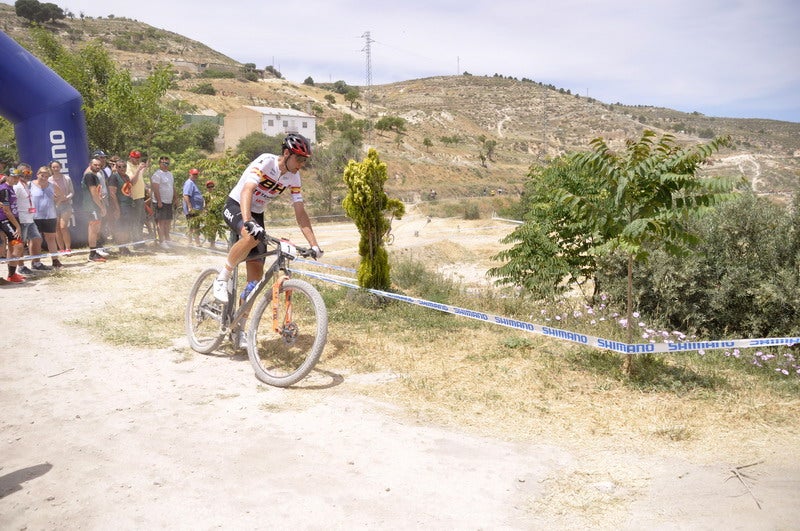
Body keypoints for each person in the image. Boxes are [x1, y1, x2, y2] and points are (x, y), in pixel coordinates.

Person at [213, 133, 323, 303]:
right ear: (286, 153)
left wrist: (314, 244)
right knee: (251, 237)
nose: (302, 164)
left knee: (255, 280)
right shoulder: (266, 161)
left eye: (305, 160)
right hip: (237, 205)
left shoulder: (294, 177)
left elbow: (300, 212)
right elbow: (247, 190)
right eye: (299, 159)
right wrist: (248, 221)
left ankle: (241, 319)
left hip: (257, 214)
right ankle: (222, 279)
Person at [11, 163, 44, 275]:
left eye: (30, 172)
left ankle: (36, 263)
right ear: (20, 172)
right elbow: (12, 202)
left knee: (37, 239)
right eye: (26, 172)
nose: (29, 174)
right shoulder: (17, 186)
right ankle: (21, 266)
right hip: (22, 219)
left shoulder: (26, 184)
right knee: (21, 244)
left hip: (30, 218)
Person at [30, 166, 59, 269]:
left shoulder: (52, 185)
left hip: (50, 216)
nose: (44, 178)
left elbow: (60, 196)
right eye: (42, 175)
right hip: (35, 217)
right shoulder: (30, 185)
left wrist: (56, 202)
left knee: (51, 238)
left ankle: (55, 260)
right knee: (35, 240)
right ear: (37, 174)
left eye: (47, 176)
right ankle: (35, 262)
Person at [0, 167, 26, 282]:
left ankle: (12, 274)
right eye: (13, 177)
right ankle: (11, 274)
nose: (16, 179)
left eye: (17, 177)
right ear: (7, 176)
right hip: (5, 220)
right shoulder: (4, 189)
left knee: (13, 245)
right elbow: (6, 210)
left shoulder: (10, 188)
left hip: (12, 219)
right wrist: (17, 226)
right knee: (18, 245)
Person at [81, 158, 108, 262]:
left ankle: (95, 251)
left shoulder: (95, 176)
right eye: (95, 165)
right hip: (91, 207)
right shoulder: (89, 176)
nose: (97, 167)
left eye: (99, 165)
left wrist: (102, 205)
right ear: (90, 164)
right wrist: (101, 207)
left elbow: (98, 193)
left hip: (95, 206)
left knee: (96, 230)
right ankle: (92, 255)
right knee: (93, 229)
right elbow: (94, 194)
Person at [108, 158, 133, 255]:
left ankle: (125, 246)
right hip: (120, 206)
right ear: (116, 168)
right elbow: (112, 194)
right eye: (119, 167)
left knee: (126, 226)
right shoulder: (114, 177)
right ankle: (121, 247)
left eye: (124, 166)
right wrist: (117, 209)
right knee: (120, 227)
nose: (122, 168)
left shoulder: (126, 177)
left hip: (128, 205)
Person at [150, 155, 176, 249]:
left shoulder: (170, 174)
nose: (165, 165)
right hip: (161, 202)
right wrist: (159, 201)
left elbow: (172, 187)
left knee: (168, 221)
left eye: (167, 163)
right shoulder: (157, 175)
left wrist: (176, 198)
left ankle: (167, 239)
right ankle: (161, 241)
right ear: (159, 163)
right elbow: (155, 188)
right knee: (161, 222)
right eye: (164, 163)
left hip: (169, 201)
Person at [49, 159, 73, 257]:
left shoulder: (66, 178)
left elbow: (72, 192)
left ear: (60, 167)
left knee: (63, 227)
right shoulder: (49, 180)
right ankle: (61, 249)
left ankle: (68, 248)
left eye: (57, 167)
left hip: (66, 205)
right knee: (57, 228)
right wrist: (54, 198)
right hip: (54, 206)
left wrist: (66, 197)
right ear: (51, 168)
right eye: (53, 167)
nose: (56, 169)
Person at [126, 150, 148, 246]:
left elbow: (140, 175)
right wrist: (138, 170)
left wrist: (145, 167)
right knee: (135, 220)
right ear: (130, 157)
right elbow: (132, 181)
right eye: (135, 158)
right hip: (134, 198)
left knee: (141, 219)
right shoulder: (128, 167)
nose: (137, 160)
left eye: (138, 158)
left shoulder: (137, 166)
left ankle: (139, 239)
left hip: (140, 196)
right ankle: (136, 241)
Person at [182, 168, 205, 246]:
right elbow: (186, 195)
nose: (195, 175)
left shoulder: (193, 183)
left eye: (196, 174)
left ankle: (192, 241)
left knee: (194, 225)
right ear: (190, 174)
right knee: (194, 225)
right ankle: (195, 242)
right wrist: (189, 206)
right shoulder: (189, 183)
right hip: (192, 209)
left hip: (196, 209)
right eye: (194, 174)